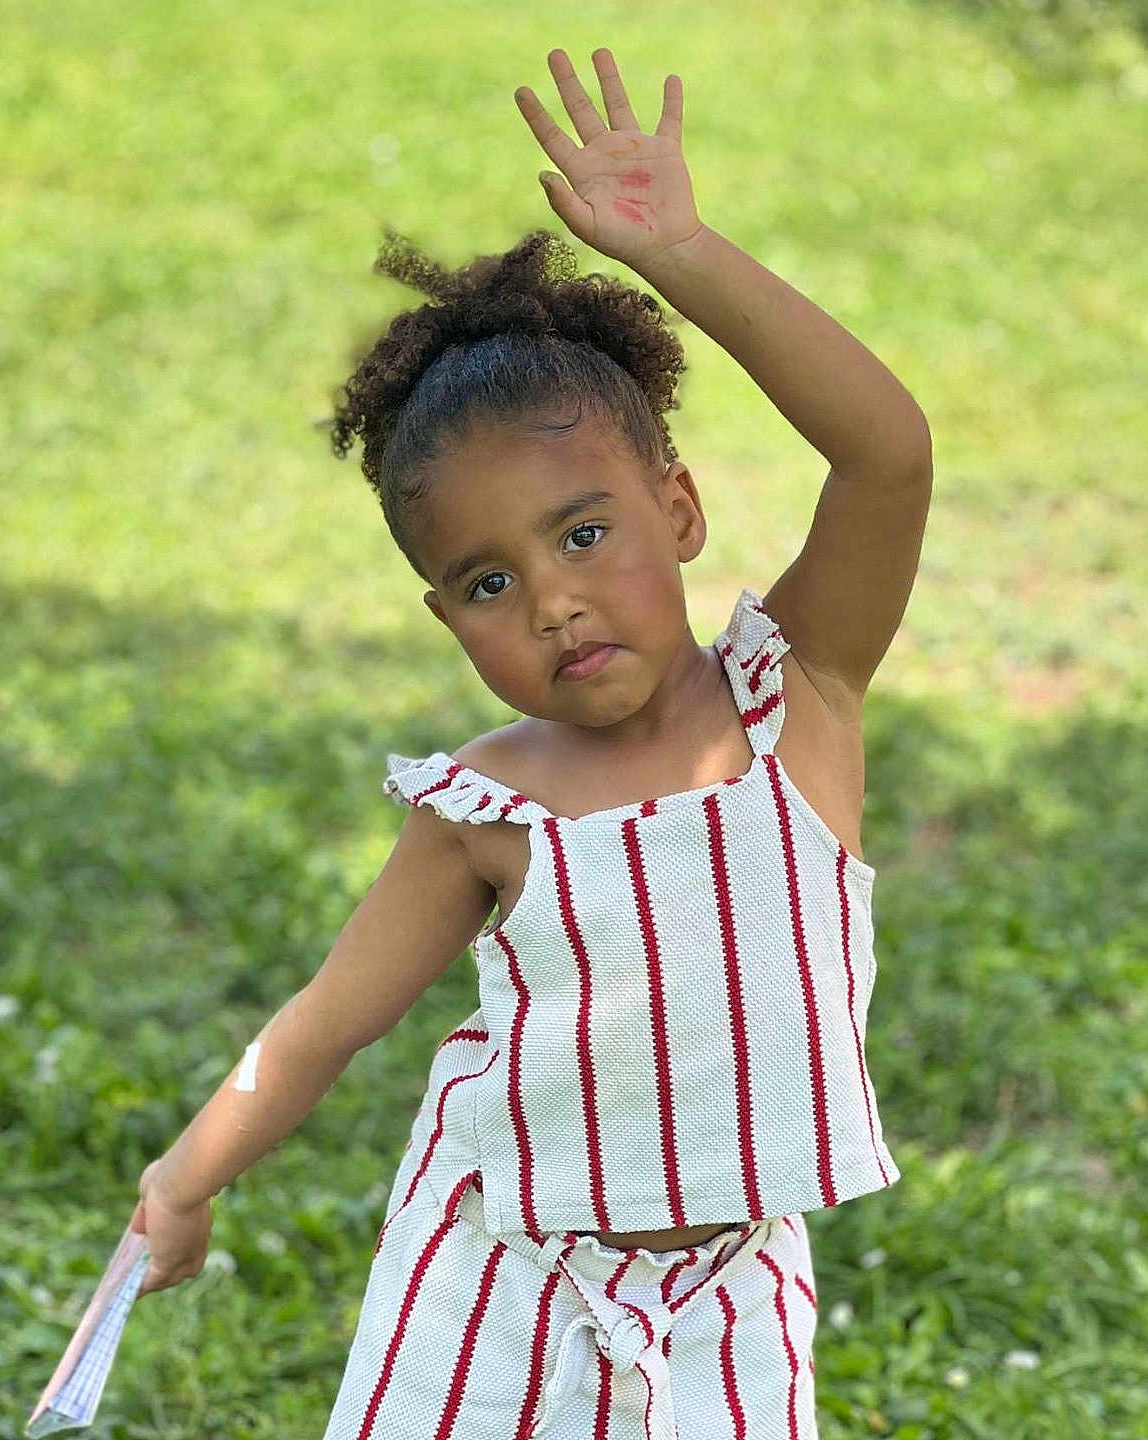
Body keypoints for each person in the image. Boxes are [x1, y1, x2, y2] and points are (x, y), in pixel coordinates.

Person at [129, 45, 932, 1440]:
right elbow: (329, 1021)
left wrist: (679, 248)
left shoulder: (799, 696)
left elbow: (889, 456)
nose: (554, 597)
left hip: (729, 1311)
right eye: (492, 582)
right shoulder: (482, 809)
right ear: (448, 619)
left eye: (583, 532)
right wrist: (187, 1179)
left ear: (676, 508)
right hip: (496, 1287)